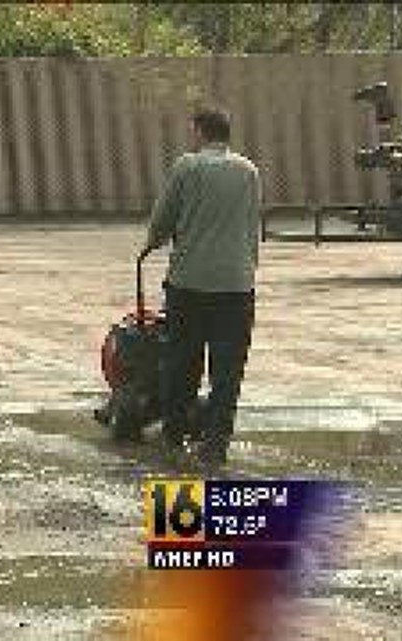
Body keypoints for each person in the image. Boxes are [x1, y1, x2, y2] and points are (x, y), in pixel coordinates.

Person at [140, 106, 262, 469]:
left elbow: (164, 217)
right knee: (227, 370)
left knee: (183, 363)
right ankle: (216, 444)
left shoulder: (187, 167)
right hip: (237, 286)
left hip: (189, 283)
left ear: (199, 131)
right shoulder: (248, 171)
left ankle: (174, 436)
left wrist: (153, 241)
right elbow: (252, 225)